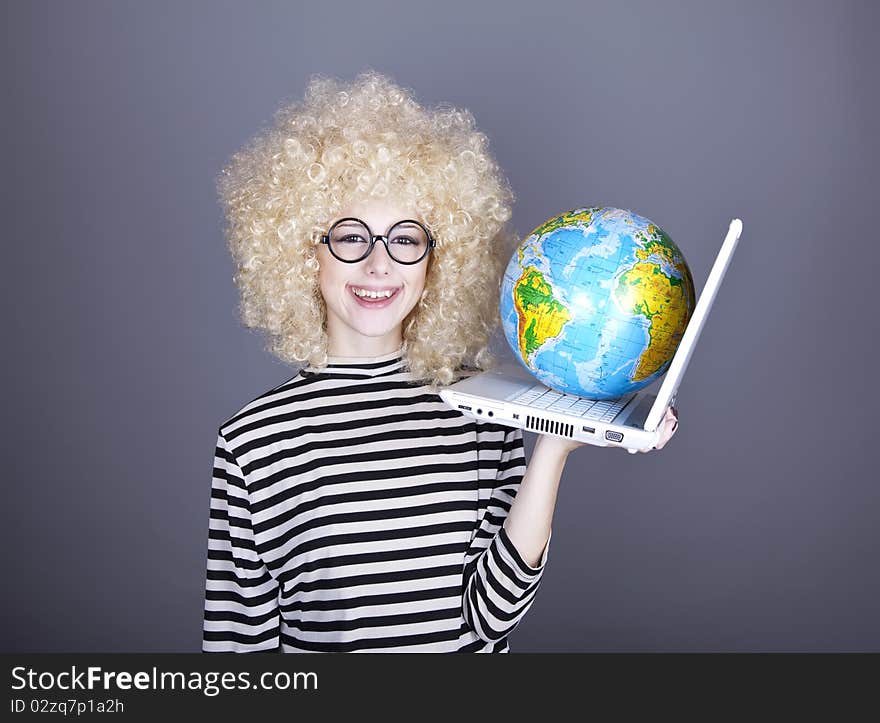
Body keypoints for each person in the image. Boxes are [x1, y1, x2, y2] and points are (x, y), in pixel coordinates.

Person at [202, 71, 678, 653]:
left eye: (405, 239)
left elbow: (491, 618)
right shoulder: (254, 442)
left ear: (436, 261)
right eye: (352, 237)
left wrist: (553, 448)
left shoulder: (482, 410)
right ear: (307, 253)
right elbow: (238, 653)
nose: (379, 266)